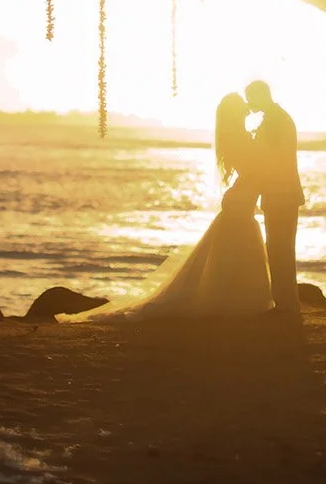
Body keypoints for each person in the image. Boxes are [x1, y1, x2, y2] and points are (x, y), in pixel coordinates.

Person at [69, 93, 272, 320]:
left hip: (241, 197)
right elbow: (255, 168)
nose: (247, 109)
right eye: (242, 107)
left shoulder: (239, 137)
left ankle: (237, 299)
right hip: (241, 199)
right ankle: (237, 301)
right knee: (239, 247)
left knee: (234, 249)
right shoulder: (240, 138)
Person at [245, 80, 304, 313]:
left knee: (280, 247)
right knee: (280, 247)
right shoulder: (275, 117)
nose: (249, 103)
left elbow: (270, 158)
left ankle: (286, 302)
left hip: (281, 193)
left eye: (250, 98)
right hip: (282, 193)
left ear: (260, 96)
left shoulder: (276, 120)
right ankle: (286, 300)